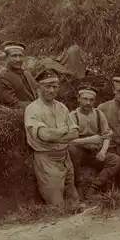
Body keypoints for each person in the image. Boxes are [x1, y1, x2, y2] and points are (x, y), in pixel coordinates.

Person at [24, 68, 80, 209]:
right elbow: (44, 135)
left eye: (55, 87)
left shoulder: (62, 107)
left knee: (75, 202)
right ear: (39, 87)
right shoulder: (33, 109)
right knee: (57, 207)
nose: (52, 90)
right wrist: (64, 130)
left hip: (65, 159)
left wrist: (56, 135)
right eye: (47, 86)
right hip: (47, 161)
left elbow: (75, 133)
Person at [68, 86, 120, 198]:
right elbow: (69, 141)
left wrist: (103, 151)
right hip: (79, 152)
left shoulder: (98, 114)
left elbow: (107, 135)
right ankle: (78, 186)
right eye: (85, 99)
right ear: (78, 99)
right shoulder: (72, 116)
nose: (88, 103)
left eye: (91, 100)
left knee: (117, 161)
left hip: (95, 153)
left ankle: (94, 187)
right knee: (71, 150)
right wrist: (89, 140)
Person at [0, 41, 38, 108]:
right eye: (14, 56)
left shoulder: (25, 72)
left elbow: (36, 89)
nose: (18, 59)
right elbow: (13, 104)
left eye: (20, 56)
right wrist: (37, 106)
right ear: (6, 58)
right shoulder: (3, 77)